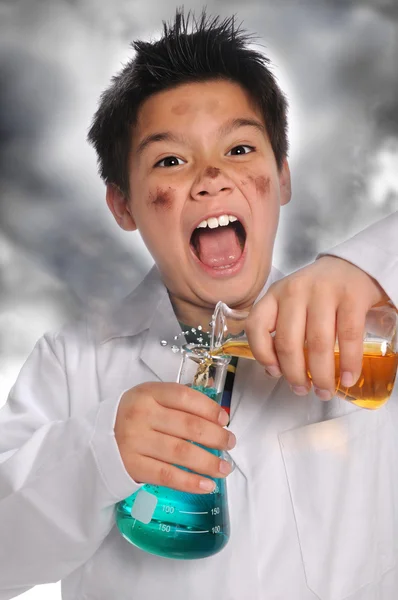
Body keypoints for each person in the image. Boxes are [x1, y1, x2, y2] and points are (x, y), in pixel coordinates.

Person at [0, 10, 397, 600]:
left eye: (239, 148)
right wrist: (98, 450)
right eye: (170, 160)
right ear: (124, 205)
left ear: (281, 176)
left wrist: (369, 265)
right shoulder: (70, 364)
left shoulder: (365, 324)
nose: (212, 177)